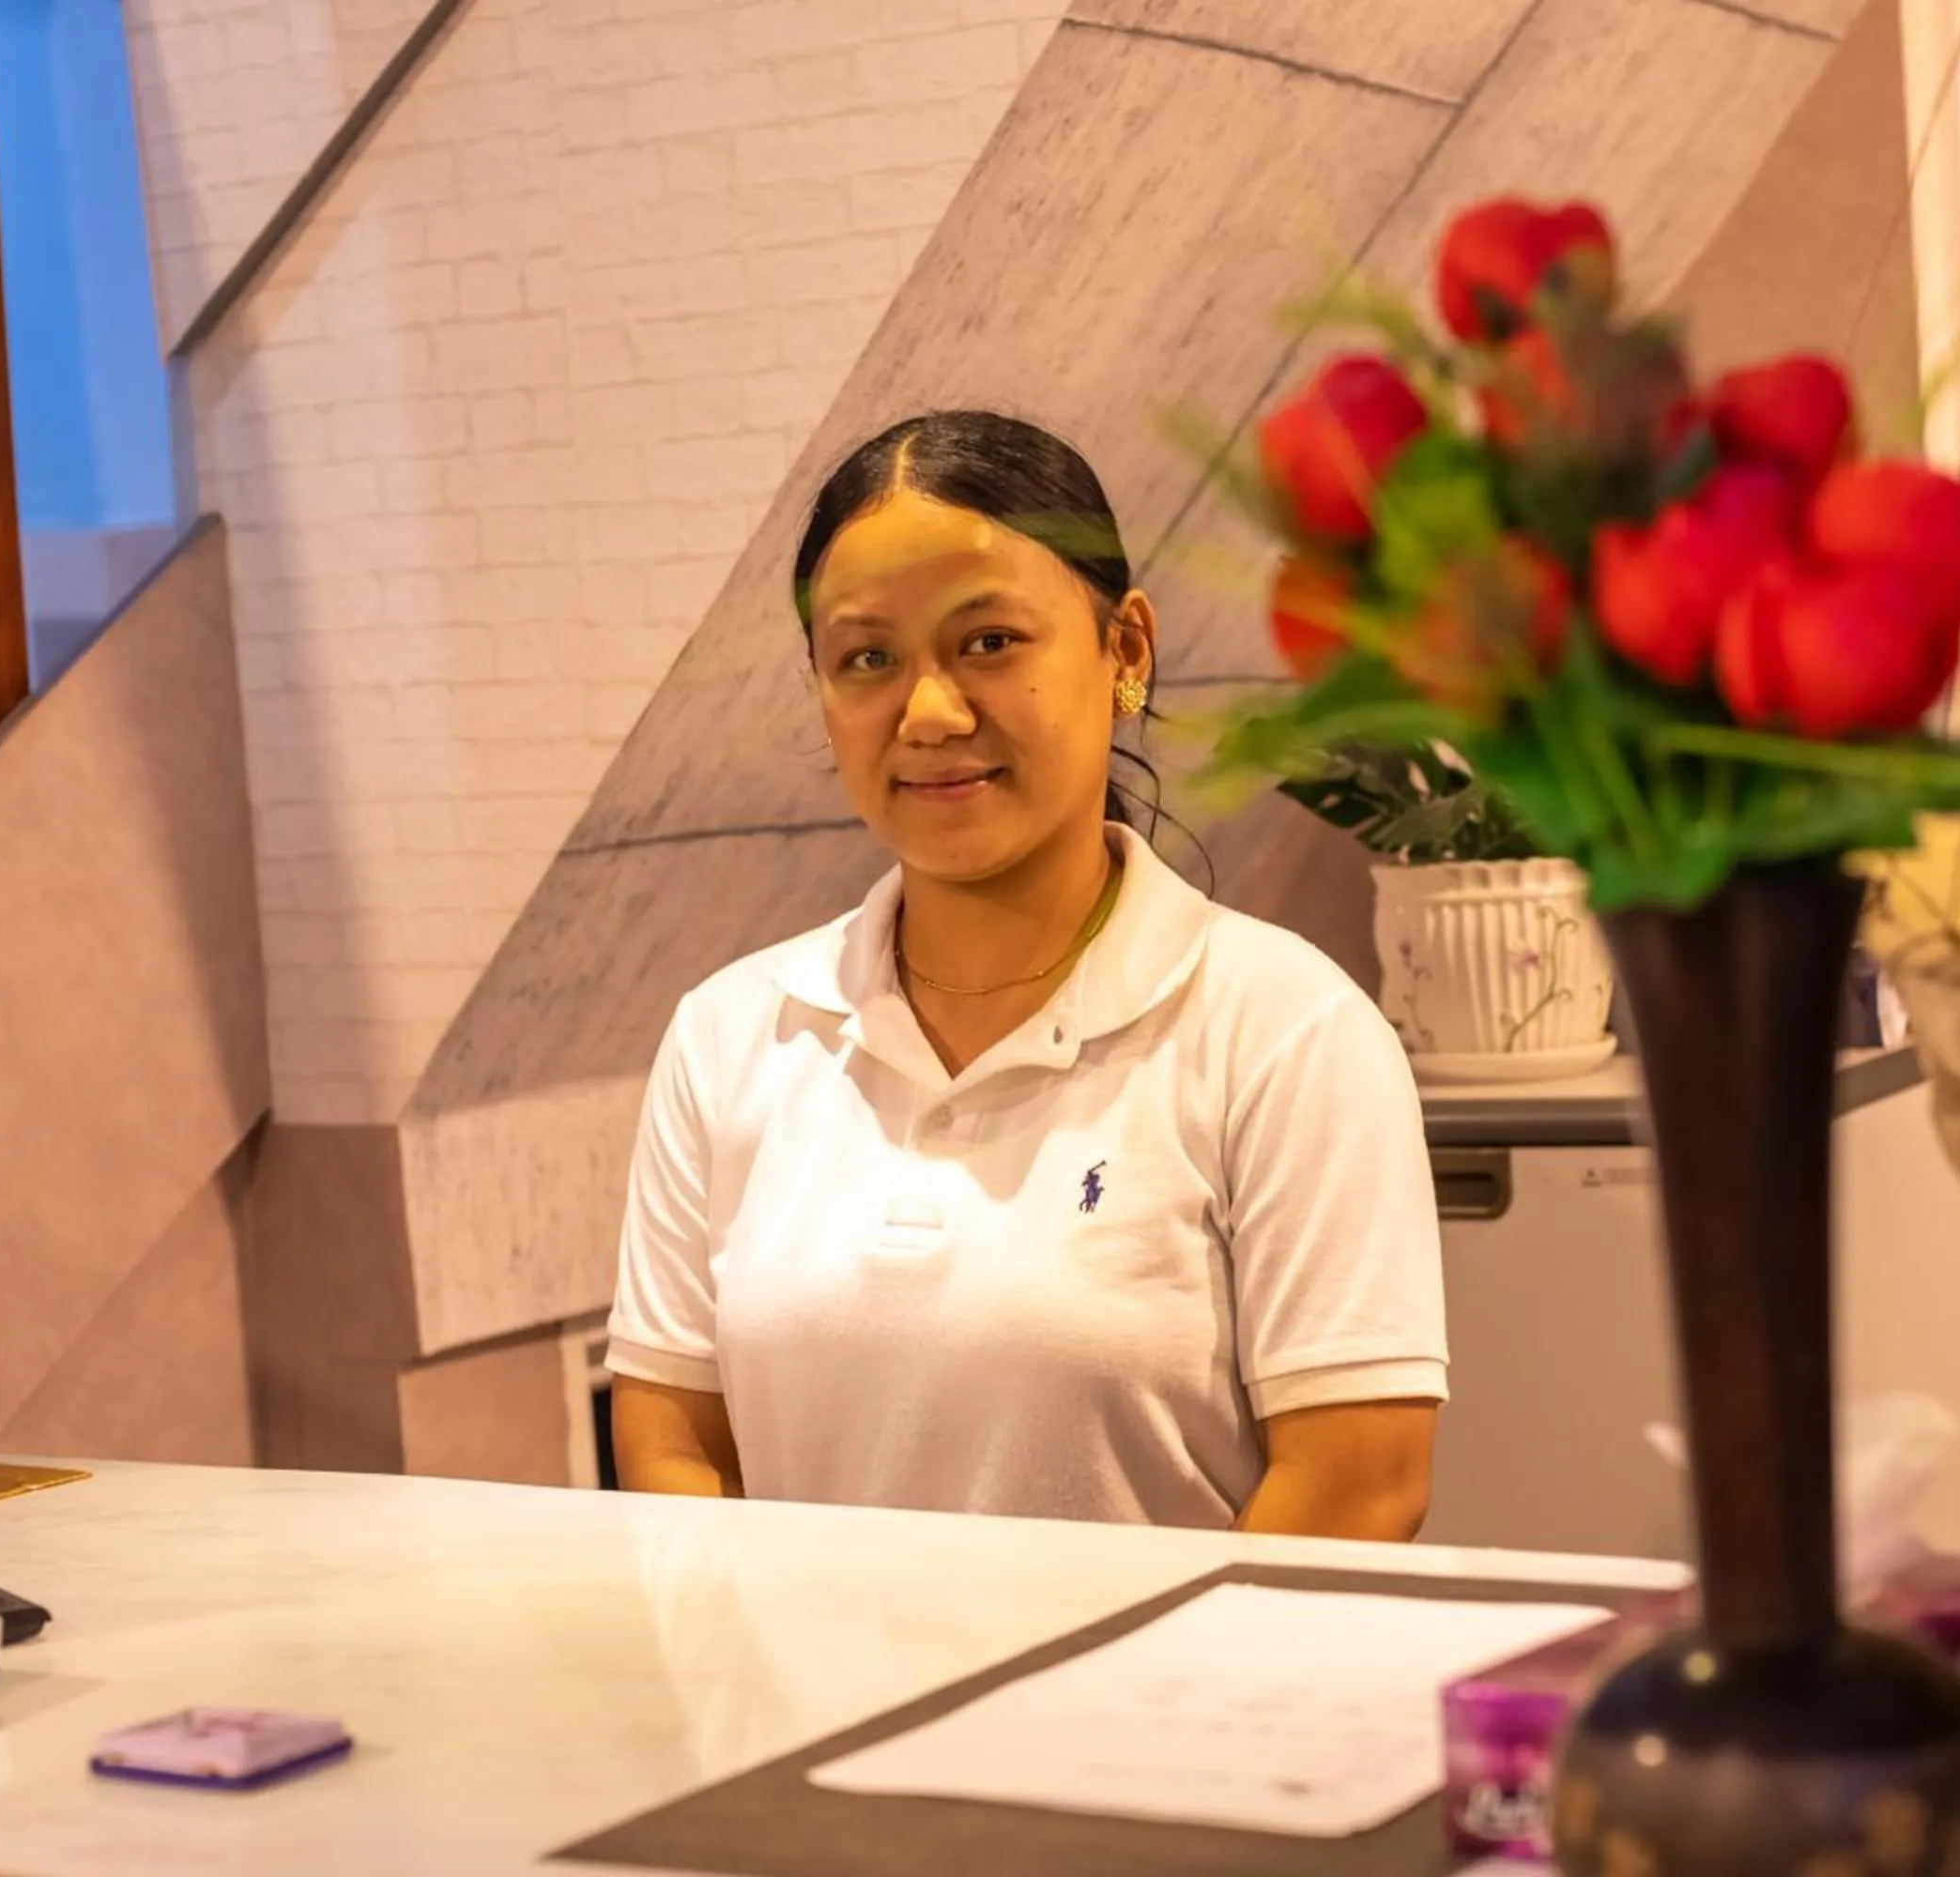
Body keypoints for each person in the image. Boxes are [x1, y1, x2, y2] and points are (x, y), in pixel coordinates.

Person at [604, 410, 1448, 1539]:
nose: (932, 712)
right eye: (867, 658)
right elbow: (673, 1449)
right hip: (810, 1713)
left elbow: (1358, 1486)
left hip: (1157, 1714)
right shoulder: (730, 1033)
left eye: (990, 641)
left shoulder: (1285, 1028)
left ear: (1127, 652)